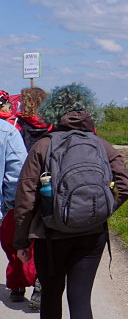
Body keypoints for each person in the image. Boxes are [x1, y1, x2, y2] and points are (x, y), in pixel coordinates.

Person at [13, 83, 128, 319]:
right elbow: (125, 187)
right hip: (92, 233)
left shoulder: (43, 146)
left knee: (51, 295)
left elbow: (25, 198)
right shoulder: (102, 145)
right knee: (80, 299)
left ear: (52, 111)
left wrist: (21, 242)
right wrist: (101, 209)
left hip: (51, 234)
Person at [1, 90, 37, 307]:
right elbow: (17, 175)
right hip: (15, 202)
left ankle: (17, 284)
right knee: (21, 245)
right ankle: (23, 282)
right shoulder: (7, 131)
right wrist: (12, 204)